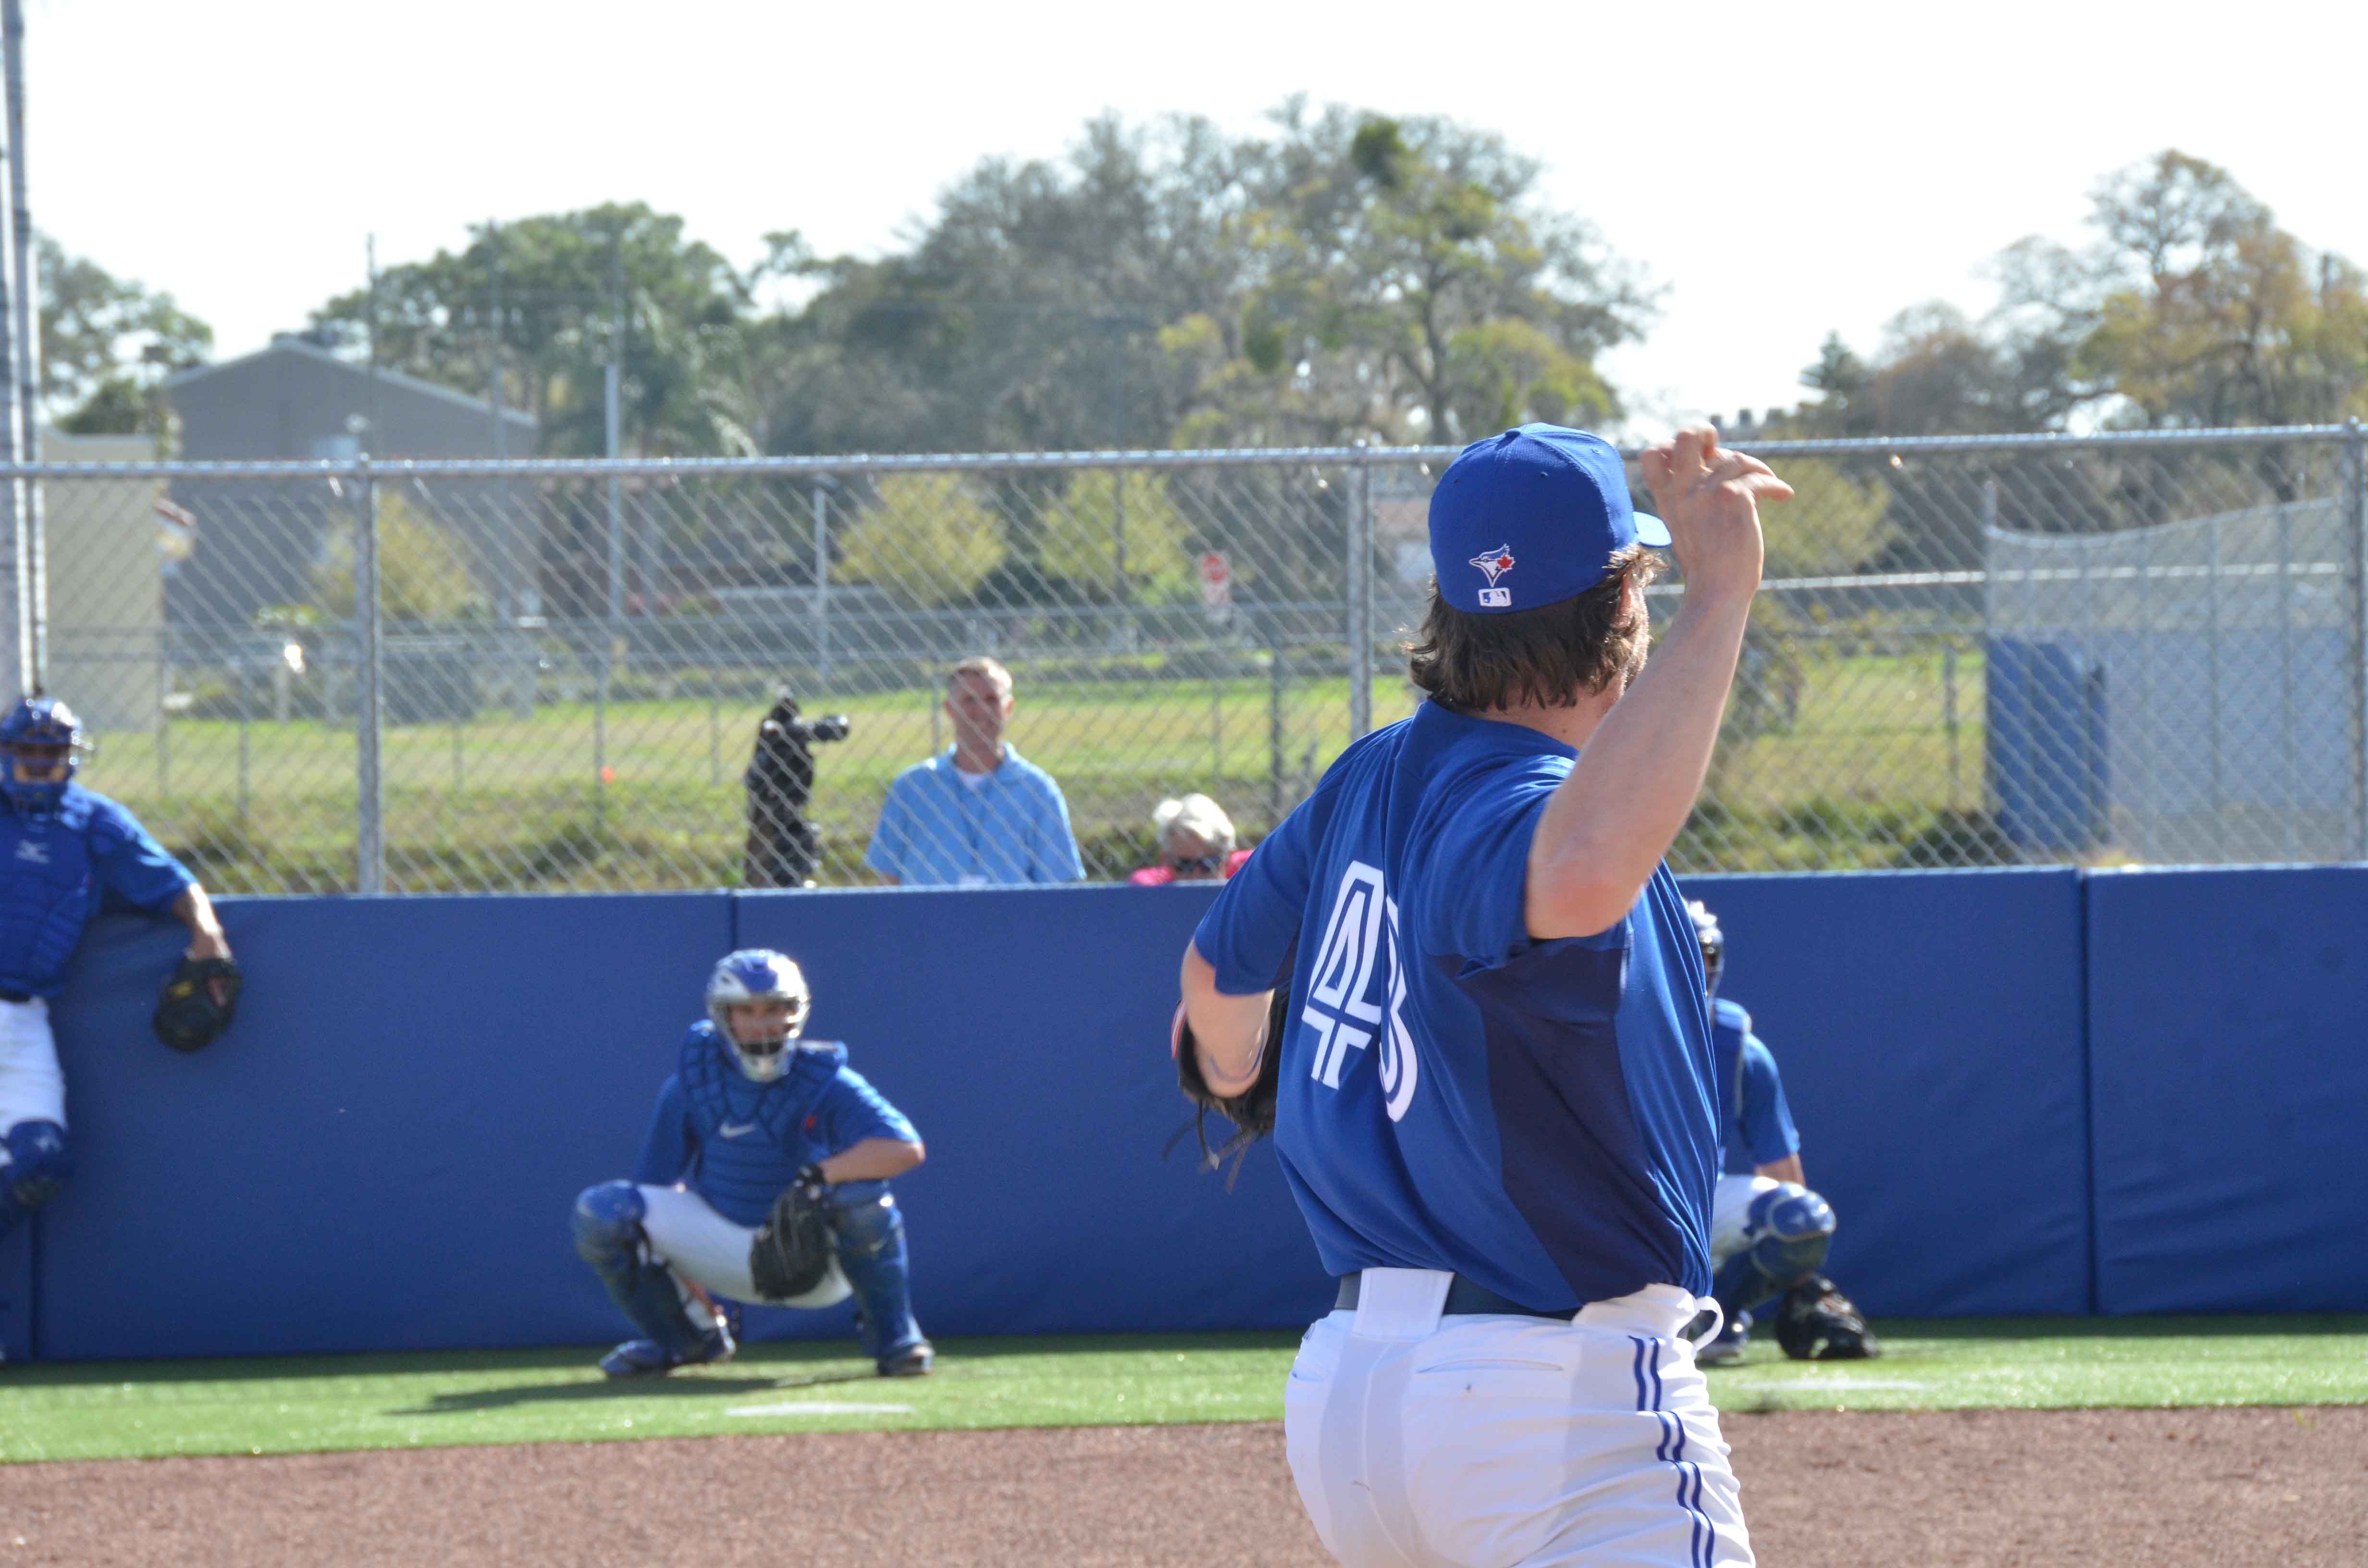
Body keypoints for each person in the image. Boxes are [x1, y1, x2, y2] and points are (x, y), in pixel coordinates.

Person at [1180, 423, 1789, 1566]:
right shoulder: (1521, 798)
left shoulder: (1368, 773)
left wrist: (1243, 1076)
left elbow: (1215, 990)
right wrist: (1721, 603)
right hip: (1550, 1394)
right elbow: (1574, 871)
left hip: (1354, 1401)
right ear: (1621, 607)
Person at [571, 948, 933, 1378]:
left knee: (863, 1196)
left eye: (775, 1010)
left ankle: (895, 1338)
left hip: (814, 1260)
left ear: (796, 1013)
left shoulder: (826, 1079)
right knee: (605, 1214)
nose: (762, 1023)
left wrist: (818, 1177)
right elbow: (655, 1191)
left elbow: (904, 1147)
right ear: (724, 1016)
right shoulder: (691, 1084)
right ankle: (683, 1338)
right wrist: (690, 1287)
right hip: (723, 1246)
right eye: (747, 1011)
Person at [0, 698, 234, 1309]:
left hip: (26, 1015)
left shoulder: (93, 823)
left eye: (53, 753)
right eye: (30, 751)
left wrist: (208, 936)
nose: (41, 763)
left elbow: (175, 881)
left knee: (39, 1165)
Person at [1686, 901, 1878, 1367]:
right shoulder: (1598, 1031)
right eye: (1681, 955)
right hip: (1615, 1210)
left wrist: (1802, 1279)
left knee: (1799, 1217)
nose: (1694, 968)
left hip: (1694, 1202)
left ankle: (1711, 1318)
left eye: (1702, 956)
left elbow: (1783, 1176)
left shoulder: (1735, 1048)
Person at [864, 656, 1083, 887]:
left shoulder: (1038, 791)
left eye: (992, 700)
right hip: (928, 923)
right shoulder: (911, 789)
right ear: (950, 709)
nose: (981, 710)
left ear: (1008, 708)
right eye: (969, 700)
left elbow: (1058, 889)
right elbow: (889, 882)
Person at [741, 687, 852, 889]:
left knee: (800, 849)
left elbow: (839, 728)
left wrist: (810, 730)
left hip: (792, 812)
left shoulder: (795, 734)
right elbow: (777, 735)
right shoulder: (772, 734)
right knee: (766, 867)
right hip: (769, 812)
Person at [1128, 794, 1254, 886]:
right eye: (1185, 865)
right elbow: (1140, 882)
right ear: (1167, 861)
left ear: (1228, 858)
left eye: (1209, 864)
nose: (1196, 877)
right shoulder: (1153, 885)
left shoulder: (1250, 869)